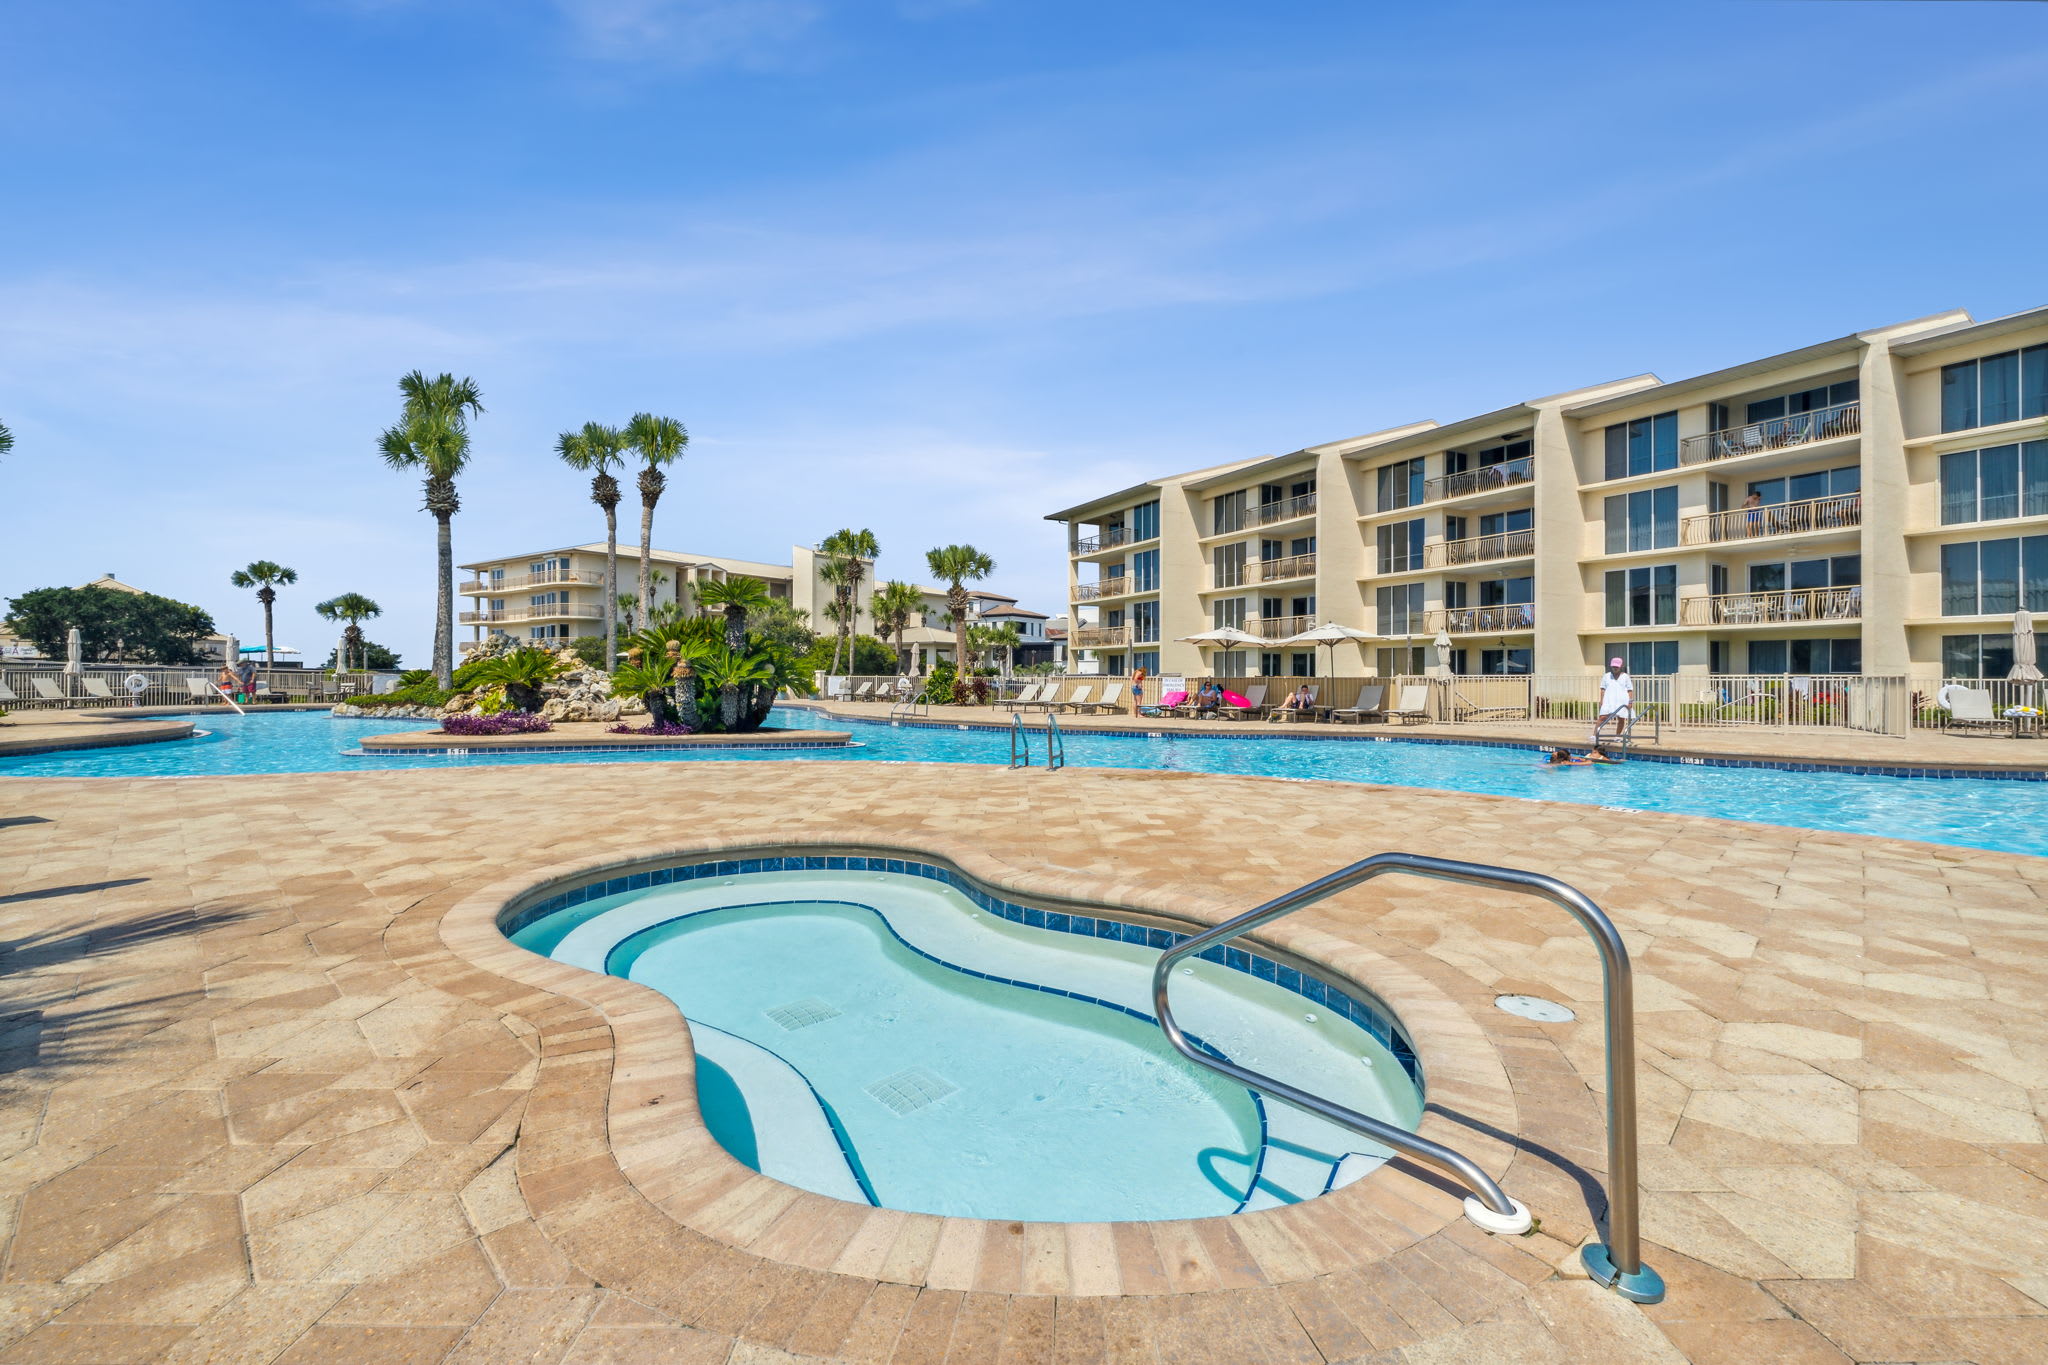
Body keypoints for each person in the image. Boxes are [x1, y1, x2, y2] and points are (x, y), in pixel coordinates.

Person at [1594, 657, 1633, 742]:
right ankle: (1595, 735)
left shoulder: (1626, 677)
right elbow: (1602, 689)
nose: (1615, 668)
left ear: (1621, 666)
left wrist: (1630, 701)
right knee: (1602, 717)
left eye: (1617, 667)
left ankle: (1617, 736)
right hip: (1609, 699)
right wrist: (1601, 700)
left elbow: (1630, 690)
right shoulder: (1607, 676)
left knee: (1621, 718)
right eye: (1613, 666)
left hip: (1622, 700)